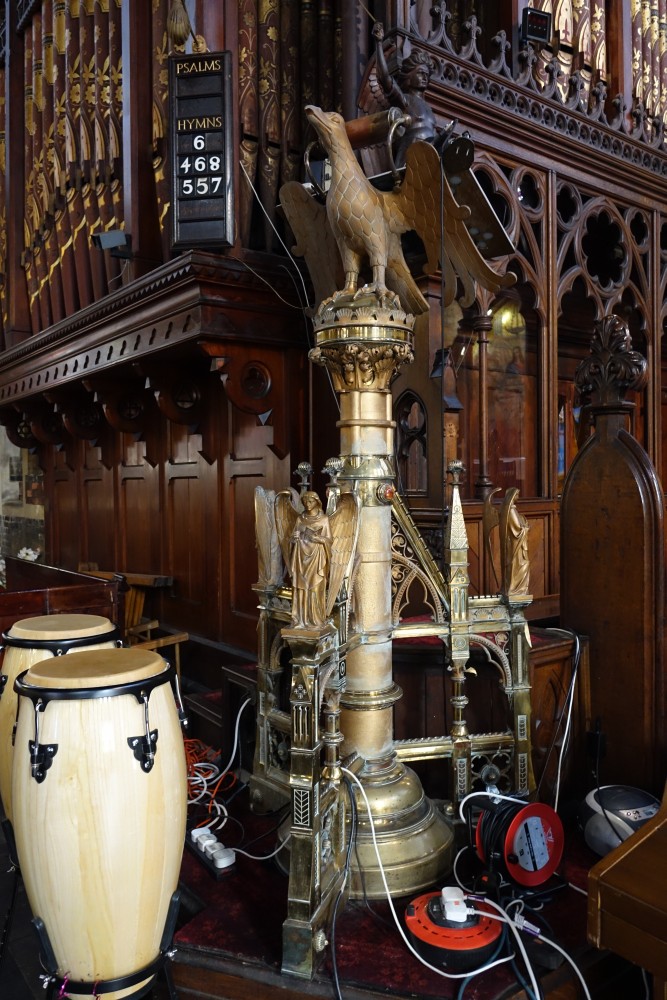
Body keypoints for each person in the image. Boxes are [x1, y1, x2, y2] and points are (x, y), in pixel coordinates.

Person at [372, 21, 455, 168]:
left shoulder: (429, 109)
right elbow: (384, 79)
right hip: (410, 159)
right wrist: (379, 43)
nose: (424, 78)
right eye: (421, 73)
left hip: (429, 160)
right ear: (409, 76)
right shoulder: (406, 100)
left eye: (427, 75)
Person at [289, 491, 332, 627]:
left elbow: (329, 540)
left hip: (317, 558)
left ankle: (316, 620)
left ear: (317, 502)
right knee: (301, 589)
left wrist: (318, 538)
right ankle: (301, 619)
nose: (307, 504)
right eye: (305, 502)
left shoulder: (324, 519)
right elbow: (292, 539)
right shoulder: (300, 519)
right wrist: (294, 537)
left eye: (311, 501)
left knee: (315, 588)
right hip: (301, 558)